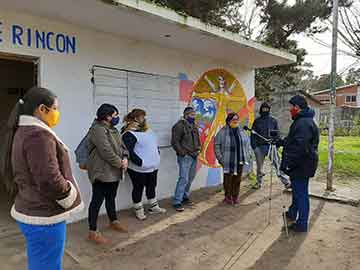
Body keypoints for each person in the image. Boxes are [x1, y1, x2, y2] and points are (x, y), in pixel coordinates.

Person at [0, 87, 83, 270]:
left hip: (32, 208)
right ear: (42, 109)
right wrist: (69, 194)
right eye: (55, 108)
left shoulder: (24, 131)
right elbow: (49, 180)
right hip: (44, 215)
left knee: (40, 261)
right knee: (47, 265)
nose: (57, 113)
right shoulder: (38, 135)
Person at [87, 104, 129, 244]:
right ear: (107, 116)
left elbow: (123, 147)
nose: (117, 117)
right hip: (102, 171)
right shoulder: (97, 130)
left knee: (111, 197)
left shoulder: (114, 130)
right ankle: (93, 231)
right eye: (115, 115)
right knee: (97, 201)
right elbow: (106, 151)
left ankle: (113, 221)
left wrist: (125, 158)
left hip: (114, 171)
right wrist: (120, 163)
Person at [279, 95, 319, 233]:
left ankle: (302, 224)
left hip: (301, 164)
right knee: (297, 191)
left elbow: (300, 147)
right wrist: (281, 142)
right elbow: (294, 141)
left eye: (291, 107)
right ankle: (292, 213)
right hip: (303, 163)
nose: (290, 109)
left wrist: (289, 163)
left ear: (297, 107)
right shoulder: (303, 121)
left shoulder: (303, 123)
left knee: (301, 194)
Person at [122, 109, 166, 220]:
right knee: (138, 188)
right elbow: (128, 151)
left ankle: (153, 207)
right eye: (142, 117)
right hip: (138, 169)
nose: (144, 119)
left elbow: (154, 145)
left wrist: (157, 156)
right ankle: (139, 210)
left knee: (152, 186)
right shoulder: (128, 134)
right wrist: (141, 163)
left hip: (152, 166)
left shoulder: (148, 130)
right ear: (136, 118)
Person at [214, 113, 252, 205]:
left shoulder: (242, 131)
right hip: (228, 161)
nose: (235, 121)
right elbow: (216, 145)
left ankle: (235, 196)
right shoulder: (222, 132)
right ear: (228, 121)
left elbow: (247, 143)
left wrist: (248, 153)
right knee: (228, 179)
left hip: (240, 159)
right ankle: (228, 197)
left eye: (237, 119)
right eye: (233, 119)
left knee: (237, 179)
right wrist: (220, 158)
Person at [251, 102, 290, 189]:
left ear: (269, 110)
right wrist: (254, 147)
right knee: (259, 167)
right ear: (261, 109)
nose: (265, 110)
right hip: (260, 147)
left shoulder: (273, 120)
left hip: (271, 146)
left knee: (277, 164)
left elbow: (277, 134)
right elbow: (253, 135)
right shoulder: (257, 121)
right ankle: (258, 182)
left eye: (267, 109)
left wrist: (277, 144)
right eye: (263, 108)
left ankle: (286, 182)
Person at [171, 107, 201, 212]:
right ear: (186, 115)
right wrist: (183, 153)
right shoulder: (179, 126)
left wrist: (198, 150)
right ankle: (177, 201)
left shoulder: (193, 125)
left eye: (194, 115)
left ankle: (185, 197)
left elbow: (197, 139)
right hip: (185, 157)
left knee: (190, 178)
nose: (194, 117)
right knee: (183, 178)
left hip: (194, 155)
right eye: (192, 115)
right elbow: (175, 142)